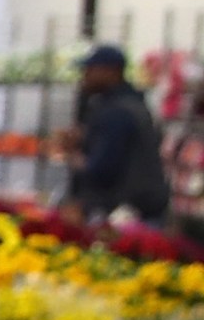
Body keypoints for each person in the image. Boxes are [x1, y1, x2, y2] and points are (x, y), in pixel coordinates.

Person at [67, 43, 171, 223]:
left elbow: (102, 168)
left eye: (90, 70)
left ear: (111, 71)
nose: (84, 76)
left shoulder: (116, 111)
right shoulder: (132, 103)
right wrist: (86, 138)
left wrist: (73, 156)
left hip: (124, 212)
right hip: (142, 207)